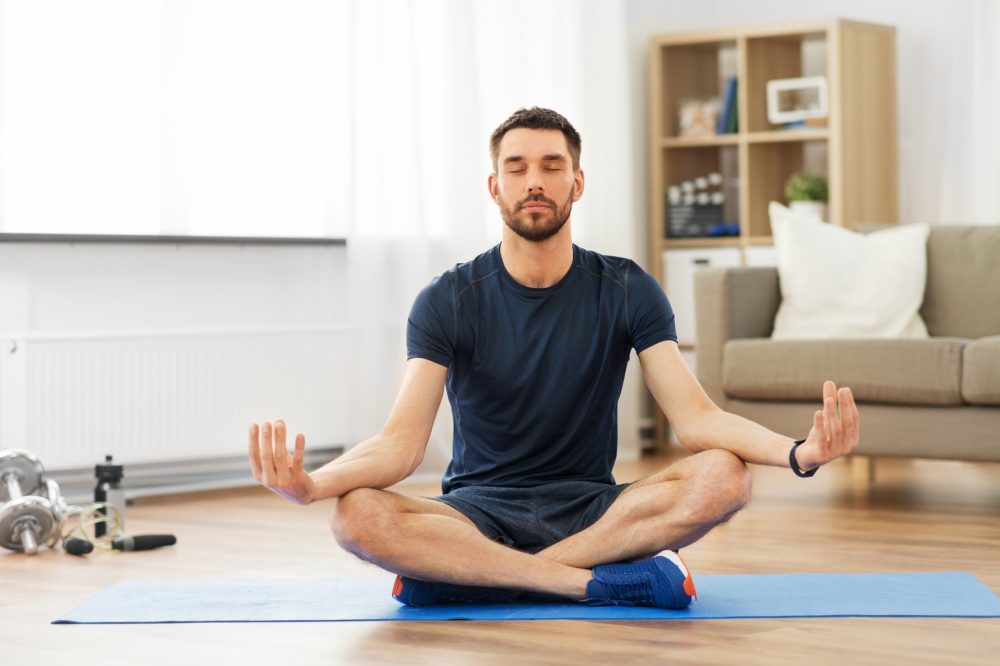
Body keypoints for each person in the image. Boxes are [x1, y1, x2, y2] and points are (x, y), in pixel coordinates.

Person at [248, 107, 860, 609]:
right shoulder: (447, 299)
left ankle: (469, 578)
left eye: (551, 166)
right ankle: (585, 583)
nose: (533, 181)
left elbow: (696, 419)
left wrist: (799, 454)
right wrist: (313, 484)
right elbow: (400, 446)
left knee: (725, 476)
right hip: (476, 511)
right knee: (355, 516)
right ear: (495, 187)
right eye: (516, 168)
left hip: (595, 510)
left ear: (577, 182)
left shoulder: (626, 289)